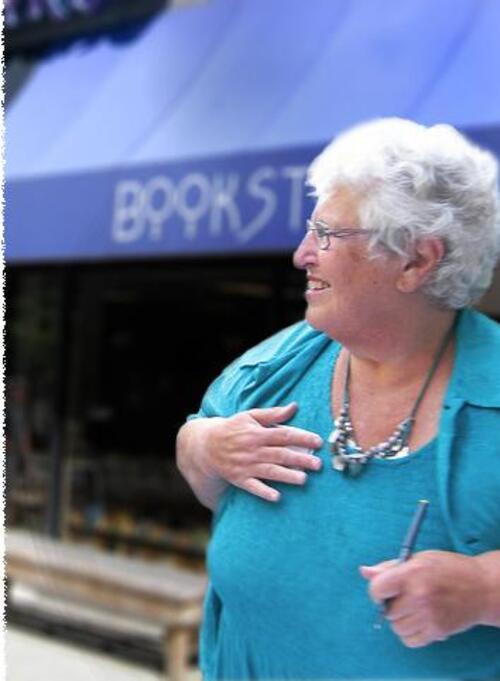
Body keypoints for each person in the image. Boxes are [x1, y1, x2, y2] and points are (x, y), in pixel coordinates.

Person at [176, 118, 500, 680]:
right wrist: (202, 446)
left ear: (416, 261)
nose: (303, 254)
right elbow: (198, 458)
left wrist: (484, 590)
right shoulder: (274, 367)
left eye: (327, 233)